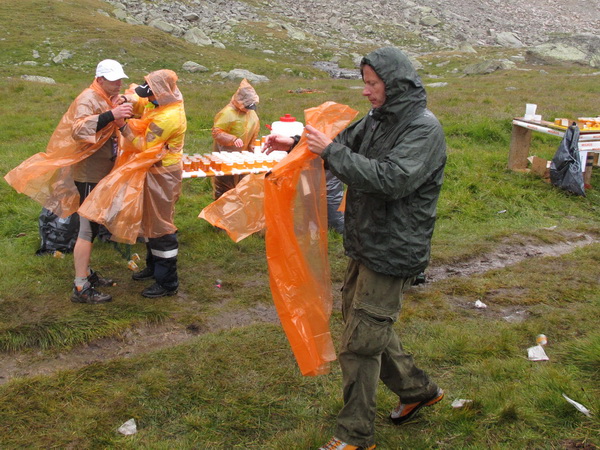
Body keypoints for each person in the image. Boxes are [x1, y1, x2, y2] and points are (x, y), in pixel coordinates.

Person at [265, 47, 447, 450]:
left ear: (394, 83)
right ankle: (418, 390)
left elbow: (392, 179)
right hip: (366, 241)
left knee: (360, 342)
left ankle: (355, 435)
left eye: (372, 83)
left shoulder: (423, 129)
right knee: (364, 324)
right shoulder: (377, 119)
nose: (366, 91)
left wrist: (330, 151)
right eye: (365, 83)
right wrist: (294, 143)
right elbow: (339, 146)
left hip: (394, 248)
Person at [4, 59, 133, 304]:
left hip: (101, 171)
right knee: (87, 229)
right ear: (100, 79)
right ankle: (81, 285)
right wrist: (111, 114)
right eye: (113, 80)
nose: (118, 84)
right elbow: (78, 130)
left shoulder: (105, 96)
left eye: (120, 79)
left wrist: (118, 105)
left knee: (93, 226)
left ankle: (86, 273)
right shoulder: (88, 98)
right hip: (88, 173)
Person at [106, 69, 187, 298]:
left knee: (161, 225)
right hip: (152, 170)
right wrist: (126, 99)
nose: (147, 98)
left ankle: (167, 282)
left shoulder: (168, 117)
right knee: (150, 221)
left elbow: (143, 145)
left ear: (161, 93)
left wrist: (122, 126)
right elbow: (141, 100)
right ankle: (153, 267)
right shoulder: (161, 101)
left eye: (150, 94)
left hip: (163, 174)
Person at [211, 78, 260, 199]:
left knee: (244, 185)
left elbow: (255, 130)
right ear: (240, 102)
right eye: (247, 106)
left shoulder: (251, 113)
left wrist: (253, 145)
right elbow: (217, 132)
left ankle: (240, 206)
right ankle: (221, 207)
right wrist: (232, 139)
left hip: (244, 156)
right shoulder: (227, 113)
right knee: (225, 186)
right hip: (226, 155)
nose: (249, 109)